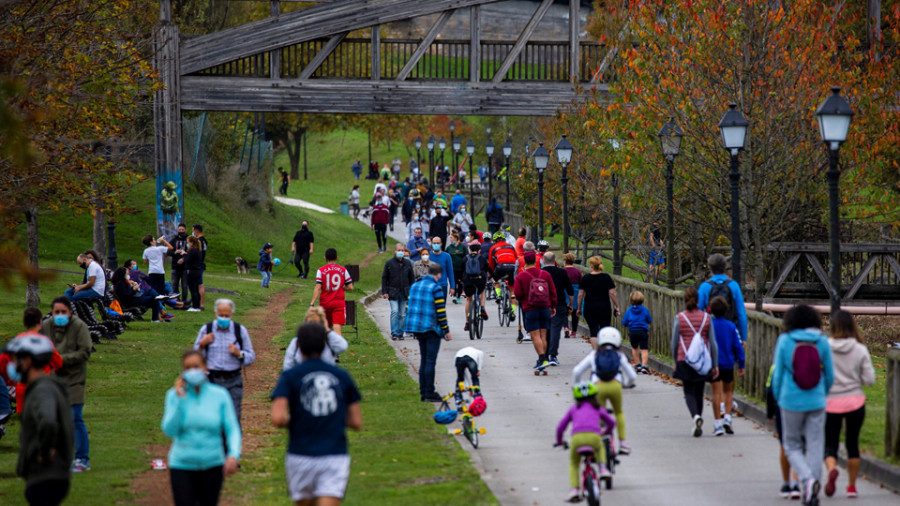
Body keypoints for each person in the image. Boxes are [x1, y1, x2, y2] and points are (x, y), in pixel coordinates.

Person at [272, 322, 362, 505]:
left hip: (300, 454)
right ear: (325, 345)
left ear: (298, 346)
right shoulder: (341, 376)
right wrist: (329, 416)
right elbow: (356, 421)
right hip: (334, 454)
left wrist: (302, 417)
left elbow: (278, 417)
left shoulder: (290, 377)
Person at [771, 304, 834, 506]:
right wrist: (821, 393)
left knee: (791, 445)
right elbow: (830, 375)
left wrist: (778, 397)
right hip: (816, 400)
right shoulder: (822, 342)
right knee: (815, 445)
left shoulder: (785, 340)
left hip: (790, 399)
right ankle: (812, 487)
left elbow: (778, 374)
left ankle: (807, 479)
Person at [162, 350, 241, 506]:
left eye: (196, 366)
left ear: (205, 368)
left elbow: (232, 427)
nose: (193, 371)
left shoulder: (220, 395)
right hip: (182, 463)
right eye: (188, 368)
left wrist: (233, 454)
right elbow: (169, 430)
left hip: (212, 463)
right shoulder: (174, 395)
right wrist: (179, 399)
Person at [4, 334, 74, 506]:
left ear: (27, 361)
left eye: (15, 360)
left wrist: (44, 451)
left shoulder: (42, 389)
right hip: (50, 475)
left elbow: (49, 422)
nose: (12, 365)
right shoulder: (45, 386)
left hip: (46, 474)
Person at [823, 310, 874, 499]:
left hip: (831, 402)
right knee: (853, 443)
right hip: (854, 401)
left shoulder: (825, 347)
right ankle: (852, 487)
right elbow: (869, 379)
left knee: (830, 443)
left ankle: (831, 470)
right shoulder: (860, 349)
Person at [43, 297, 93, 472]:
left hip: (74, 380)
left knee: (74, 418)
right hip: (52, 381)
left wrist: (60, 360)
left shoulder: (79, 327)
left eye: (63, 312)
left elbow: (85, 352)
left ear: (70, 312)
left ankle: (82, 459)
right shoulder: (47, 326)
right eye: (56, 312)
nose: (60, 315)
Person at [572, 327, 636, 455]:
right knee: (618, 412)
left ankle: (599, 442)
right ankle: (622, 442)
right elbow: (632, 376)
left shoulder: (594, 354)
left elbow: (577, 371)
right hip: (615, 386)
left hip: (598, 386)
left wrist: (577, 387)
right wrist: (626, 384)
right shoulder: (619, 355)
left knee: (598, 413)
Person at [193, 299, 256, 424]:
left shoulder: (239, 331)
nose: (223, 318)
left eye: (227, 315)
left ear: (232, 315)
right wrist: (202, 344)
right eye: (221, 315)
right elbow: (194, 359)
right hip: (212, 380)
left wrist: (239, 354)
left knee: (233, 418)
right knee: (212, 418)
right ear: (215, 313)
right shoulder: (206, 330)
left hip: (233, 380)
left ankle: (231, 443)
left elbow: (251, 356)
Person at [670, 287, 719, 438]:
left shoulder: (680, 317)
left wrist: (675, 360)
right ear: (698, 301)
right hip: (702, 361)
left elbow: (674, 341)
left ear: (685, 301)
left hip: (684, 358)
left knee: (688, 391)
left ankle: (695, 416)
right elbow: (712, 343)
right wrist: (715, 364)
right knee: (699, 391)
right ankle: (698, 416)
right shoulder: (706, 318)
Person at [556, 382, 616, 502]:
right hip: (594, 437)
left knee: (574, 463)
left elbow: (561, 427)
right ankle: (603, 468)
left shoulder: (573, 409)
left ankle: (574, 489)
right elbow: (611, 422)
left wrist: (560, 441)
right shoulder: (597, 408)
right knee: (600, 447)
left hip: (577, 440)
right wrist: (606, 431)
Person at [405, 263, 451, 402]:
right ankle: (429, 392)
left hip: (417, 328)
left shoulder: (414, 286)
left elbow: (408, 306)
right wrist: (446, 330)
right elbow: (440, 311)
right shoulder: (436, 288)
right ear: (439, 275)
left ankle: (423, 391)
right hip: (431, 328)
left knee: (424, 359)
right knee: (430, 361)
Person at [513, 251, 557, 372]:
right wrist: (553, 306)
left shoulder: (521, 276)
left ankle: (541, 359)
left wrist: (523, 299)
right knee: (543, 334)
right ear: (536, 261)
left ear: (525, 262)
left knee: (535, 335)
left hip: (530, 308)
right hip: (544, 308)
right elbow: (552, 292)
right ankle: (544, 358)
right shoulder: (545, 274)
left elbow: (518, 293)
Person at [709, 296, 745, 436]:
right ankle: (728, 418)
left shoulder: (709, 326)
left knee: (716, 393)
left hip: (714, 364)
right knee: (728, 392)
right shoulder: (731, 326)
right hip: (729, 363)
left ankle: (718, 422)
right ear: (726, 311)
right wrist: (741, 363)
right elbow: (738, 346)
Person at [766, 364, 802, 499]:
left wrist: (770, 413)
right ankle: (795, 482)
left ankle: (786, 483)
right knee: (798, 446)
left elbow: (770, 390)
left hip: (783, 407)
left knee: (784, 446)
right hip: (802, 407)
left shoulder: (776, 366)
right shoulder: (806, 364)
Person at [698, 253, 748, 342]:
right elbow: (741, 313)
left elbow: (698, 312)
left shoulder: (705, 287)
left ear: (710, 268)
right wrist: (743, 337)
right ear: (725, 267)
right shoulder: (734, 285)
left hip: (710, 333)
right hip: (731, 332)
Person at [283, 307, 349, 369]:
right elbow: (287, 365)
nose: (313, 326)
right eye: (310, 323)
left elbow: (342, 346)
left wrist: (327, 330)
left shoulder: (328, 341)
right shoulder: (297, 342)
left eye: (317, 323)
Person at [310, 248, 355, 335]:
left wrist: (312, 303)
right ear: (337, 257)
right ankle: (337, 346)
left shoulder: (321, 270)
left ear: (325, 258)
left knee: (326, 327)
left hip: (325, 303)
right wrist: (342, 288)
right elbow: (350, 287)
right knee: (337, 327)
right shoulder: (343, 270)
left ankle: (327, 346)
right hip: (339, 303)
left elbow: (318, 288)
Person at [577, 257, 619, 341]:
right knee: (605, 330)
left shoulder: (585, 278)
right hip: (604, 307)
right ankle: (604, 351)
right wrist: (616, 305)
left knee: (593, 331)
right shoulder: (606, 277)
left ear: (591, 265)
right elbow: (612, 293)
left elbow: (580, 295)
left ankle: (596, 351)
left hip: (590, 307)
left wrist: (579, 308)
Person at [542, 252, 573, 366]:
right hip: (558, 304)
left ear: (544, 261)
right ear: (555, 261)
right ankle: (553, 355)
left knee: (545, 329)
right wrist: (570, 304)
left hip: (542, 304)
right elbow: (570, 290)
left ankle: (544, 355)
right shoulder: (562, 272)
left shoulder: (540, 272)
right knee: (555, 329)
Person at [382, 243, 415, 340]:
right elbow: (384, 278)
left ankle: (400, 332)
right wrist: (385, 291)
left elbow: (411, 278)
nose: (400, 252)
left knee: (402, 314)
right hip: (393, 292)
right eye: (399, 250)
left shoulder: (408, 263)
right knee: (395, 311)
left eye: (402, 250)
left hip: (404, 292)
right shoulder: (389, 263)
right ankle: (394, 332)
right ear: (395, 251)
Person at [621, 291, 652, 374]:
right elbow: (649, 320)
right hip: (643, 331)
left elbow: (624, 322)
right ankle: (644, 366)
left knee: (634, 348)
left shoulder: (629, 311)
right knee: (644, 349)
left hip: (633, 332)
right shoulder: (645, 310)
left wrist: (628, 324)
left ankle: (637, 364)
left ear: (631, 300)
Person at [462, 243, 489, 332]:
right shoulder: (482, 258)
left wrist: (460, 281)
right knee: (482, 291)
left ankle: (467, 322)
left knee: (469, 299)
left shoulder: (466, 258)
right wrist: (494, 278)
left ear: (469, 250)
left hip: (468, 281)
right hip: (479, 281)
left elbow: (461, 270)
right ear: (479, 250)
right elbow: (488, 269)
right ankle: (482, 308)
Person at [428, 237, 455, 302]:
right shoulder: (428, 255)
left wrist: (452, 287)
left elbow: (450, 272)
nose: (436, 244)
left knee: (441, 306)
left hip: (442, 285)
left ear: (441, 244)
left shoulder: (447, 256)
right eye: (434, 243)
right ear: (431, 244)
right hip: (430, 284)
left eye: (438, 243)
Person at [168, 224, 190, 303]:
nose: (181, 231)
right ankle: (176, 301)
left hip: (185, 267)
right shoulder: (173, 240)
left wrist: (184, 257)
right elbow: (168, 251)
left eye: (182, 230)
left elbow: (191, 252)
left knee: (184, 285)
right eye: (179, 230)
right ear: (177, 231)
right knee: (174, 285)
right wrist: (174, 252)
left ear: (185, 230)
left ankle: (184, 301)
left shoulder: (188, 240)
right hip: (175, 266)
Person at [562, 254, 583, 341]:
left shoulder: (562, 271)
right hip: (575, 291)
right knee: (575, 312)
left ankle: (566, 327)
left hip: (565, 291)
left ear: (565, 261)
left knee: (564, 310)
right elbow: (581, 282)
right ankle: (574, 331)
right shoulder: (577, 271)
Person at [181, 236, 203, 310]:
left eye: (188, 242)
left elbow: (187, 260)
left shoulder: (192, 250)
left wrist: (184, 254)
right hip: (197, 271)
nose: (187, 244)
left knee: (193, 289)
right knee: (196, 289)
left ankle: (194, 306)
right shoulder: (198, 251)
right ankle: (197, 306)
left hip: (192, 271)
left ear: (191, 242)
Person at [446, 231, 467, 304]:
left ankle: (459, 296)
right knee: (454, 282)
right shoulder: (449, 247)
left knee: (460, 283)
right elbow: (446, 257)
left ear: (455, 238)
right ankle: (454, 295)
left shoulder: (463, 247)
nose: (450, 239)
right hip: (452, 269)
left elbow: (466, 256)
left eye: (451, 238)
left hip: (461, 268)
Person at [192, 225, 208, 310]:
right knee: (199, 284)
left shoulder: (199, 241)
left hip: (198, 265)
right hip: (201, 264)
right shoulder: (204, 240)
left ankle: (201, 304)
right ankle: (199, 303)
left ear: (196, 231)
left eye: (193, 231)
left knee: (199, 285)